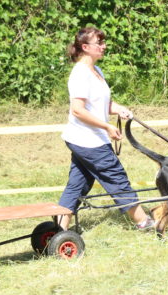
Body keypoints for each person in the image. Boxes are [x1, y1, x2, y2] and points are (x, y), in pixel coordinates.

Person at [57, 27, 154, 231]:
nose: (104, 46)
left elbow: (101, 103)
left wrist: (118, 110)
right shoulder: (80, 74)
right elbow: (78, 110)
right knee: (115, 176)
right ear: (85, 47)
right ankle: (144, 222)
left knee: (78, 184)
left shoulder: (96, 71)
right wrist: (107, 126)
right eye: (99, 43)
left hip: (88, 138)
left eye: (103, 42)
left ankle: (58, 230)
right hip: (88, 140)